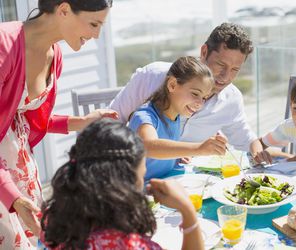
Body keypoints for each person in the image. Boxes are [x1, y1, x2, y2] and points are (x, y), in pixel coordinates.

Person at [0, 1, 118, 248]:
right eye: (94, 24)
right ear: (64, 10)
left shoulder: (55, 55)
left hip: (21, 171)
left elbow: (29, 119)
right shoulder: (4, 45)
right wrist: (13, 198)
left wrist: (82, 122)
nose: (96, 35)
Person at [109, 22, 273, 164]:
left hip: (184, 177)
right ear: (204, 52)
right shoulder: (152, 78)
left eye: (235, 69)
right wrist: (195, 149)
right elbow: (110, 125)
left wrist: (266, 153)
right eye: (221, 65)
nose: (226, 76)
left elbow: (246, 139)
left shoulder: (231, 99)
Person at [41, 118, 203, 250]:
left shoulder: (56, 218)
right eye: (142, 176)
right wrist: (187, 210)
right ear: (123, 185)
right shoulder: (127, 244)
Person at [129, 56, 227, 180]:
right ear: (172, 85)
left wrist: (175, 157)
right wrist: (199, 149)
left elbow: (159, 154)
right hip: (138, 193)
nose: (200, 103)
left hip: (162, 185)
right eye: (195, 94)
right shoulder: (144, 117)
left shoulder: (175, 117)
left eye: (204, 98)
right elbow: (150, 147)